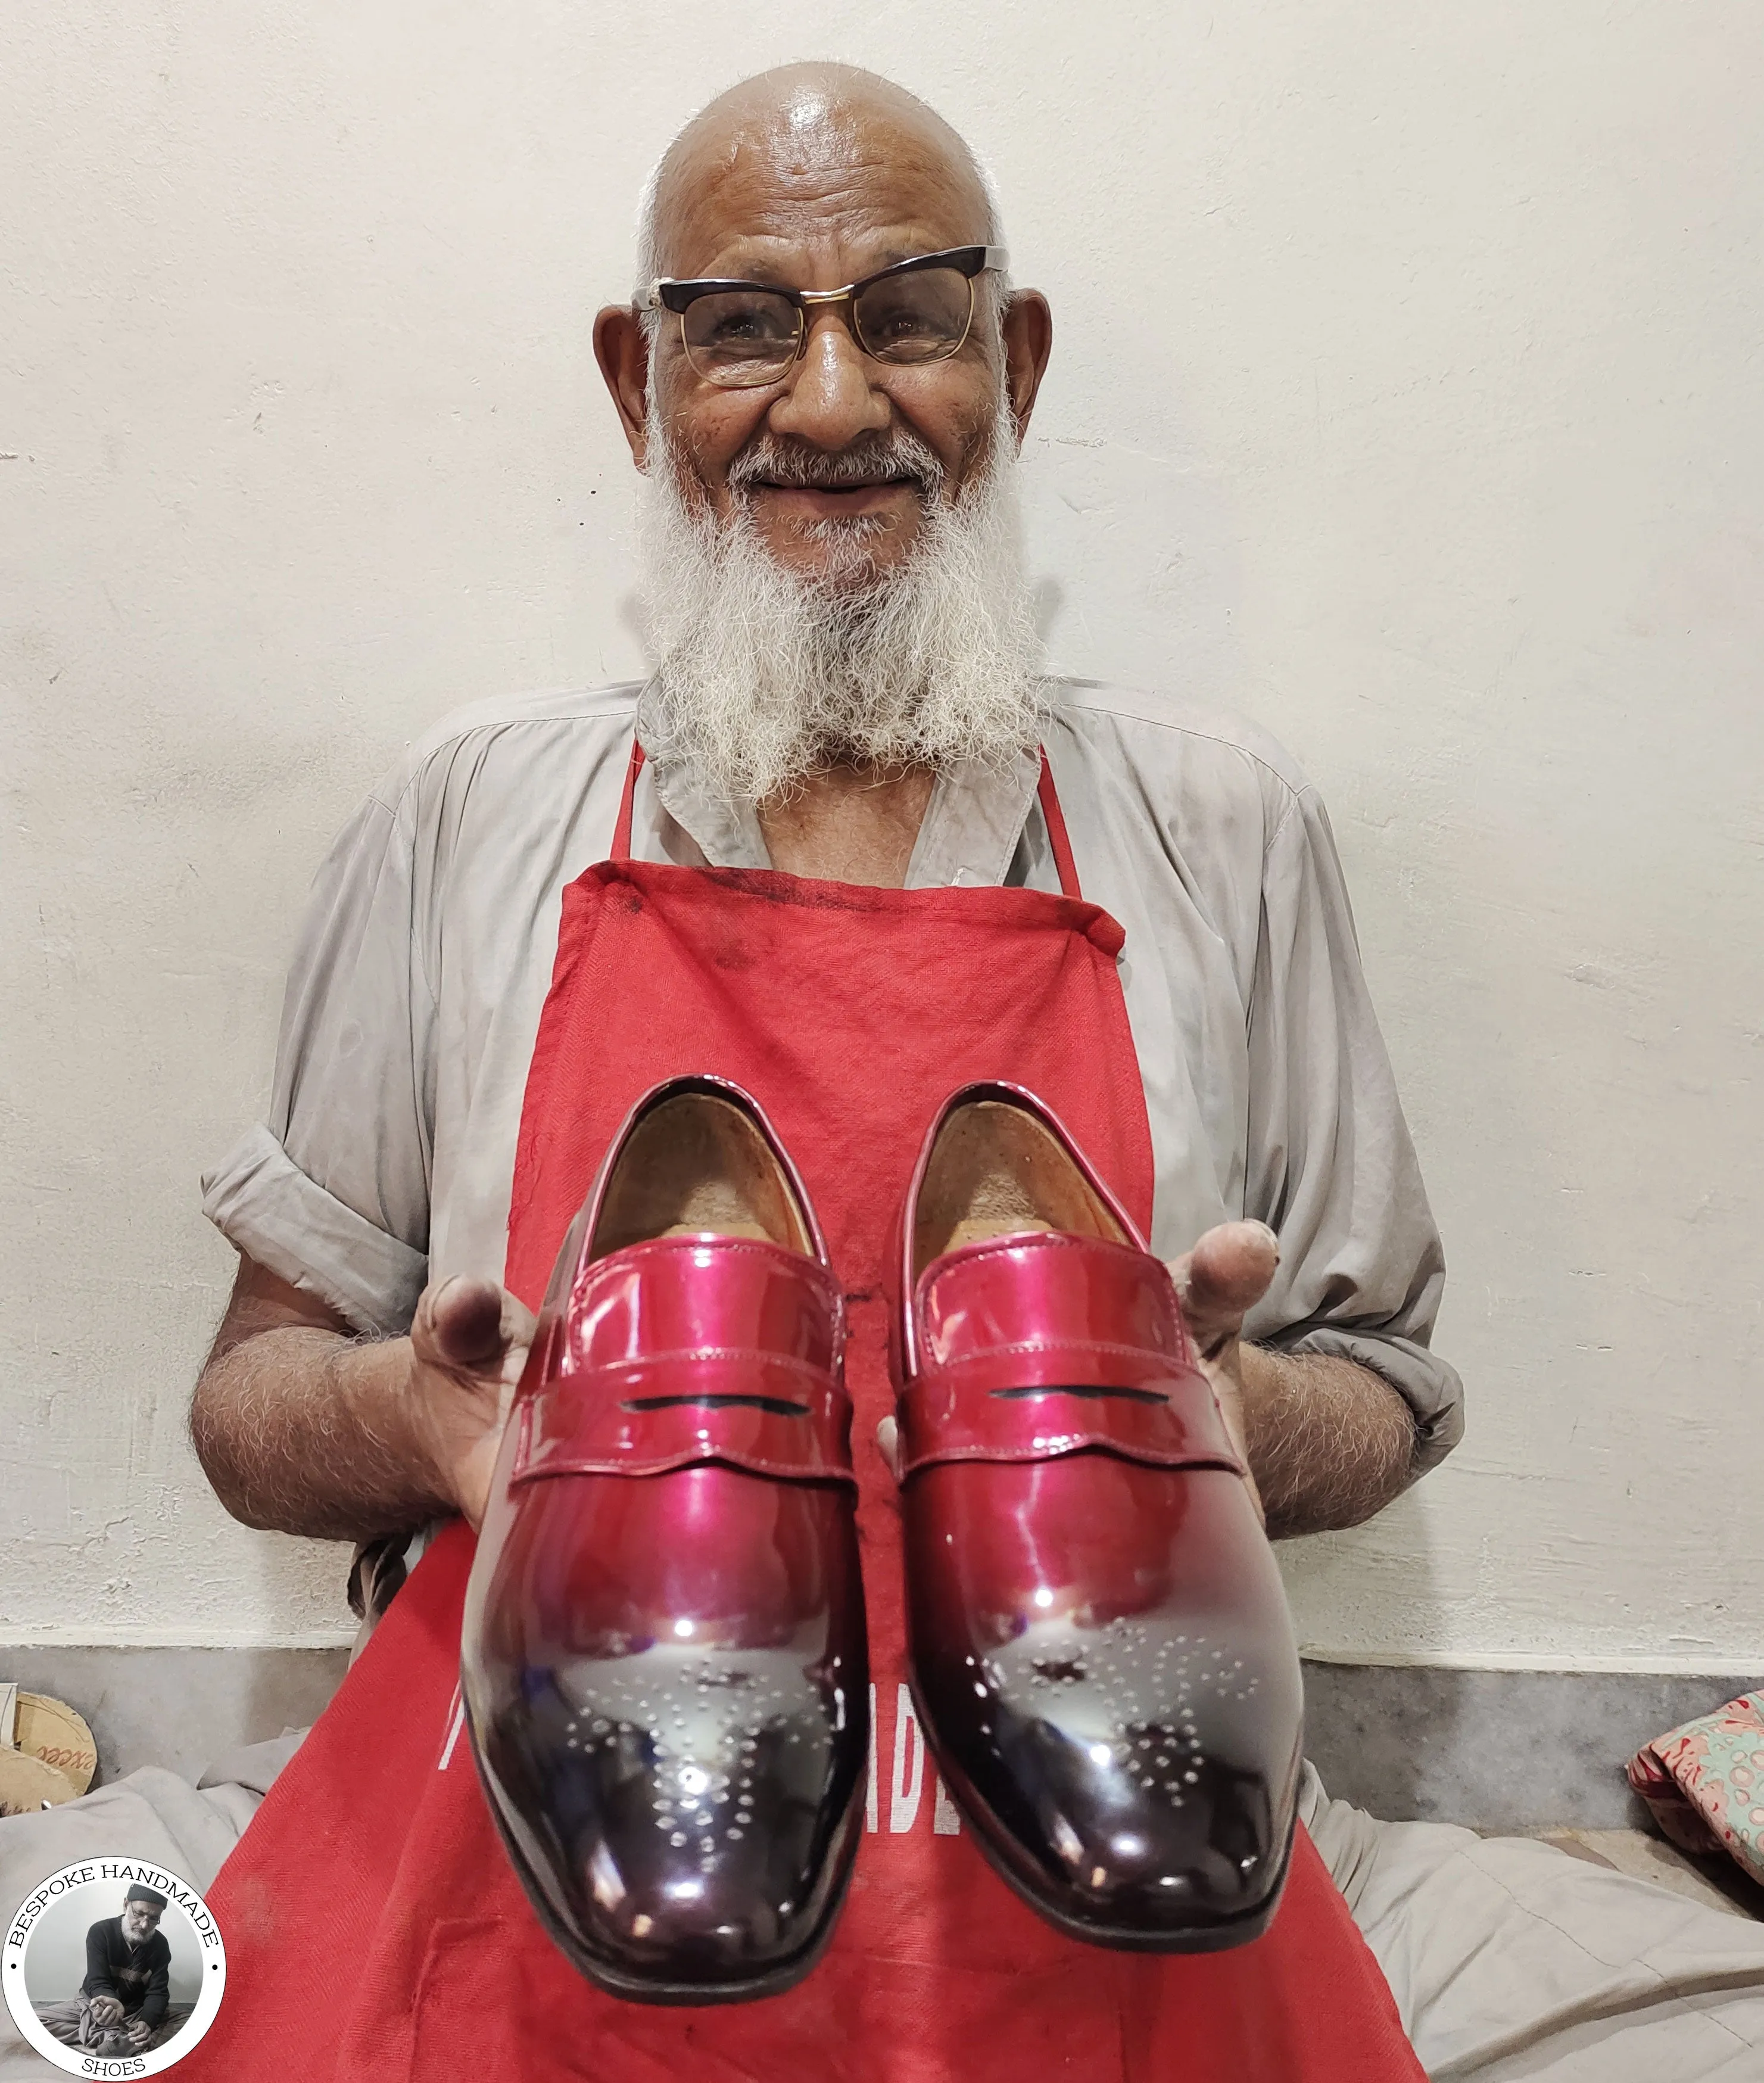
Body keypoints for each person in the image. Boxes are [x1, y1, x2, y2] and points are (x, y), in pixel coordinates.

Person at [1, 59, 1760, 2083]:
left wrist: (1234, 1417)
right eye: (741, 326)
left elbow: (1392, 1394)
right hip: (562, 1817)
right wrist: (410, 1409)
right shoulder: (472, 813)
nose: (830, 404)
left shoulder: (1220, 821)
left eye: (906, 314)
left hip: (1116, 1837)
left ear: (1010, 358)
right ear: (634, 383)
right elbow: (248, 1399)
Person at [32, 1885, 193, 2057]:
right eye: (139, 1914)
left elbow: (158, 1992)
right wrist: (107, 2003)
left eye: (154, 1919)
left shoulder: (160, 1945)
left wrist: (147, 2022)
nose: (145, 1925)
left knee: (195, 2023)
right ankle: (119, 2041)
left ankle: (117, 2038)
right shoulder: (100, 1931)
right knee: (29, 2022)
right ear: (126, 1905)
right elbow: (97, 1980)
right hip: (94, 2005)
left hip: (135, 2012)